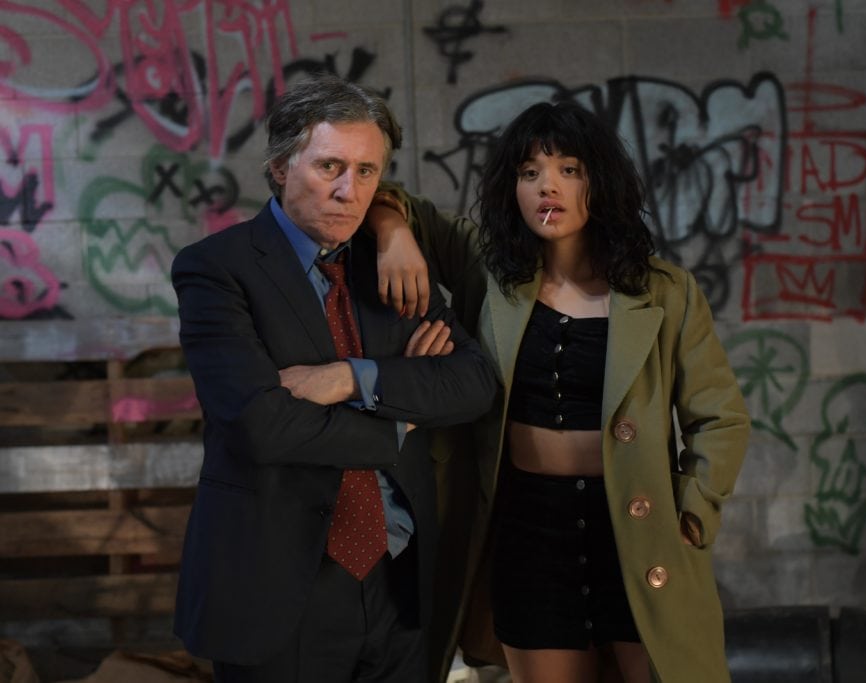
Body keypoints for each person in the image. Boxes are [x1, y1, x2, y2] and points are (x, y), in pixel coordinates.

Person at [370, 101, 751, 683]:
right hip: (528, 530)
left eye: (568, 169)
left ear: (601, 181)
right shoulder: (488, 271)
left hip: (636, 529)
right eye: (529, 173)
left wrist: (693, 517)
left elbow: (720, 417)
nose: (547, 186)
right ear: (512, 190)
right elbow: (386, 194)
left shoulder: (666, 290)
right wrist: (393, 231)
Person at [170, 74, 497, 683]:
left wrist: (353, 378)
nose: (351, 191)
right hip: (277, 584)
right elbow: (262, 425)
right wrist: (401, 420)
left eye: (367, 171)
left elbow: (473, 382)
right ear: (279, 166)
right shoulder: (216, 270)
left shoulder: (393, 267)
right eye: (330, 167)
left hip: (401, 579)